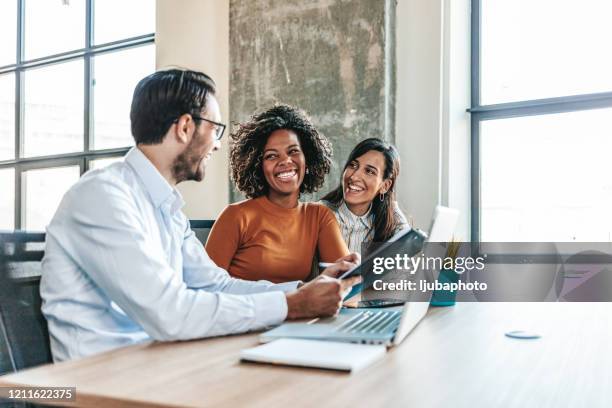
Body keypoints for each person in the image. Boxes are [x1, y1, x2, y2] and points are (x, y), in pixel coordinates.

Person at [40, 69, 359, 362]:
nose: (217, 145)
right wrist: (292, 305)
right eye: (215, 129)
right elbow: (169, 313)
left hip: (157, 363)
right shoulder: (103, 195)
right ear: (185, 127)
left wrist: (304, 289)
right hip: (102, 380)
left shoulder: (165, 206)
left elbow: (215, 285)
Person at [205, 105, 350, 283]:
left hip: (298, 310)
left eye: (293, 151)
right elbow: (206, 288)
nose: (286, 161)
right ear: (258, 167)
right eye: (272, 156)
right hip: (245, 310)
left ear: (308, 158)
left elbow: (345, 284)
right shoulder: (236, 216)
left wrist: (354, 269)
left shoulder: (319, 217)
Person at [321, 138, 409, 254]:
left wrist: (394, 210)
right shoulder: (318, 214)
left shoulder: (390, 222)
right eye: (353, 165)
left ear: (385, 186)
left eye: (369, 171)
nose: (354, 176)